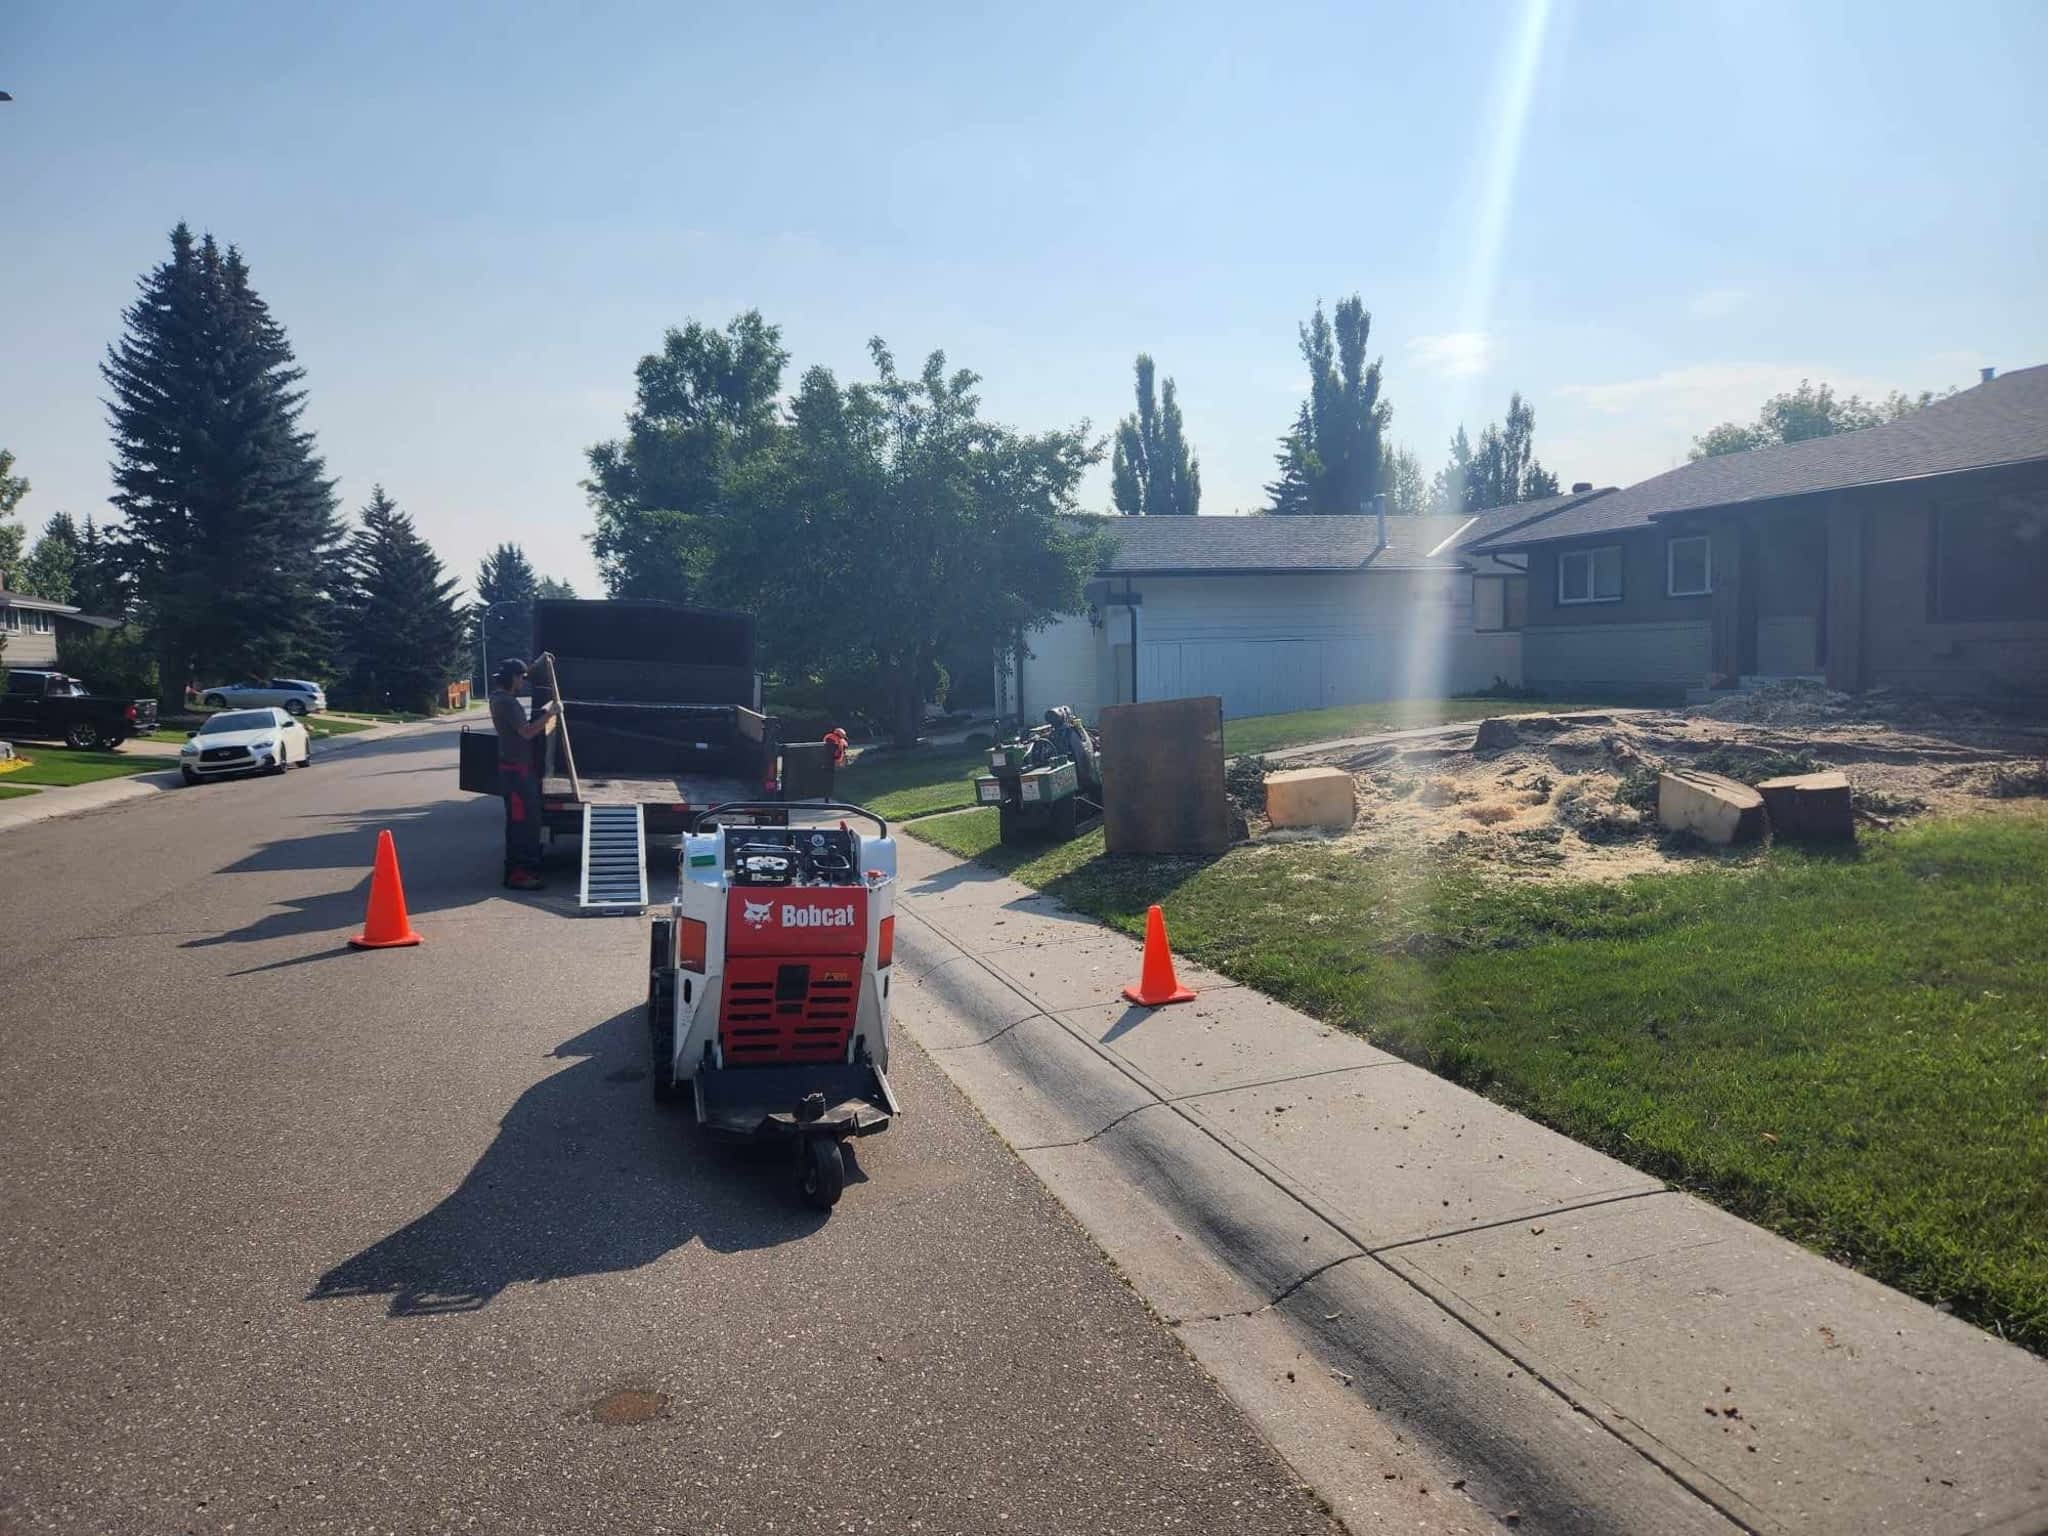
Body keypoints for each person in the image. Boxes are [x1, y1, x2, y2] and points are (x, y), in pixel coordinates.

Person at [490, 658, 558, 890]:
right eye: (520, 678)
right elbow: (527, 732)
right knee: (524, 823)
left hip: (514, 770)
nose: (522, 683)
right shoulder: (507, 703)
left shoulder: (499, 699)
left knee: (519, 822)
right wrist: (550, 714)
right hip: (517, 774)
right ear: (512, 678)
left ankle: (518, 868)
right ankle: (520, 873)